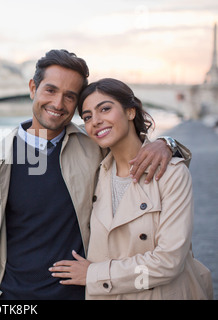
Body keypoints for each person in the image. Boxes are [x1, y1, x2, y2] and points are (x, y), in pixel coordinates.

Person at [0, 50, 190, 300]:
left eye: (69, 96)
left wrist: (168, 144)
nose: (58, 104)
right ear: (32, 88)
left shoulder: (94, 145)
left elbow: (131, 144)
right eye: (50, 90)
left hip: (85, 293)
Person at [50, 78, 213, 299]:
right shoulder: (93, 172)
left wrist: (93, 274)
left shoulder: (171, 174)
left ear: (130, 112)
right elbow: (47, 136)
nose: (95, 121)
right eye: (87, 117)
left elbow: (168, 263)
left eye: (105, 109)